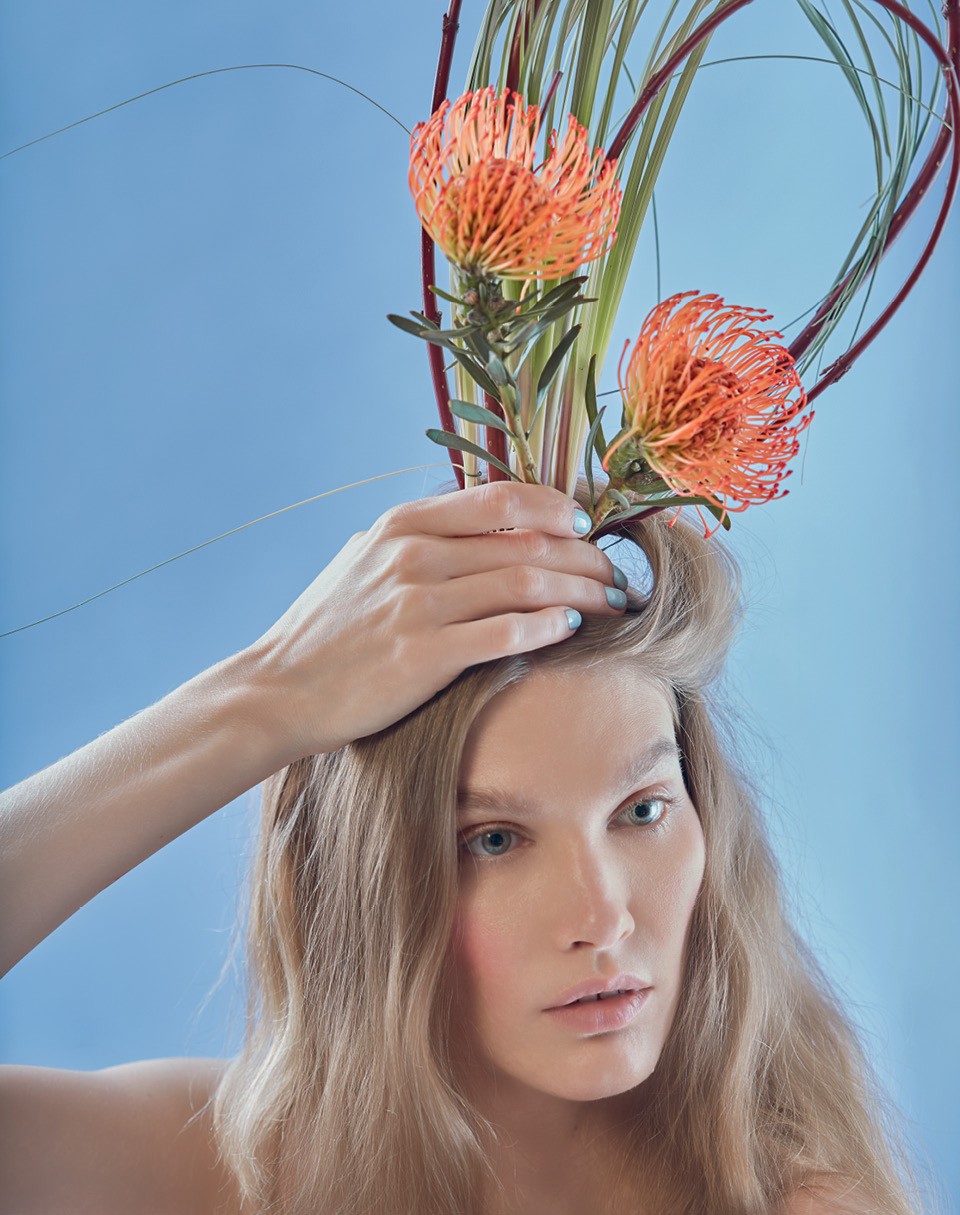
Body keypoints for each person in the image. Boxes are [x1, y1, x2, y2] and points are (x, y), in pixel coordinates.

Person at [0, 477, 922, 1214]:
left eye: (641, 811)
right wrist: (266, 696)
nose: (604, 916)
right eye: (495, 839)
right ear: (367, 885)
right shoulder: (222, 1171)